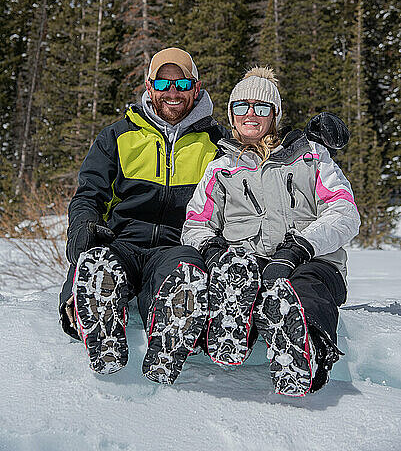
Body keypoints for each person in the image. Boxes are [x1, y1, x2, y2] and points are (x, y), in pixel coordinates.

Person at [181, 66, 361, 396]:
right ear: (232, 115)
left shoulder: (311, 155)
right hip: (246, 268)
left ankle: (307, 350)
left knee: (301, 289)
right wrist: (211, 249)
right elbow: (195, 223)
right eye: (242, 107)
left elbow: (345, 212)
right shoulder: (221, 168)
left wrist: (299, 248)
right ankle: (228, 335)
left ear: (274, 114)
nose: (251, 114)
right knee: (228, 282)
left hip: (312, 263)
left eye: (261, 107)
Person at [59, 47, 228, 384]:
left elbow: (252, 170)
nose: (173, 92)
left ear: (197, 88)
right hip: (121, 240)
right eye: (164, 84)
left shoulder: (217, 143)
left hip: (178, 244)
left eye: (181, 83)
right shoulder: (118, 136)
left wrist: (302, 144)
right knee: (100, 263)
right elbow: (89, 193)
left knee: (185, 274)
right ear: (150, 88)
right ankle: (93, 315)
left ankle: (171, 331)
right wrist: (83, 227)